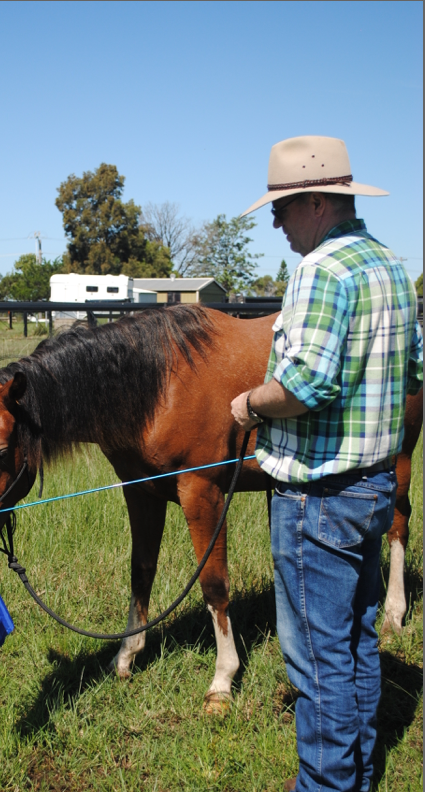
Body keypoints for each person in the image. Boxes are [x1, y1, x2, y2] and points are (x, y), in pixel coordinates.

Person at [230, 136, 423, 792]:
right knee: (355, 645)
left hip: (318, 500)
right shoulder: (391, 267)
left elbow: (303, 387)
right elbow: (414, 372)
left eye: (281, 211)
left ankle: (326, 786)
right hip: (372, 487)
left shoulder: (321, 272)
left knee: (316, 669)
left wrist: (250, 403)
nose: (276, 224)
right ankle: (358, 779)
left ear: (315, 202)